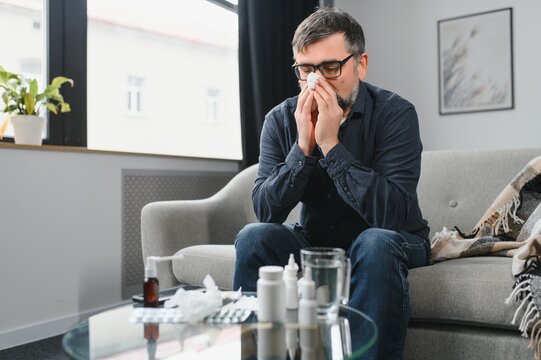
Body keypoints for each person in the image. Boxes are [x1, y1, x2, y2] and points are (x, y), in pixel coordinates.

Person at [233, 7, 430, 359]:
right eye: (306, 70)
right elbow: (265, 210)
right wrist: (304, 148)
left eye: (330, 68)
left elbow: (394, 215)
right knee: (254, 237)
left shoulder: (396, 114)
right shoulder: (280, 119)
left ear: (361, 64)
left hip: (394, 240)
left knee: (375, 243)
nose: (316, 82)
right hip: (316, 241)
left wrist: (331, 145)